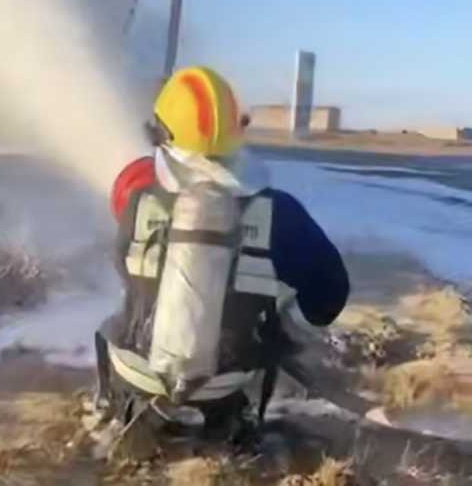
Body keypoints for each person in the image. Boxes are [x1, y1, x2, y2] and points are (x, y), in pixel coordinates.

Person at [95, 66, 349, 452]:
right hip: (223, 389)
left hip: (137, 377)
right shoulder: (279, 211)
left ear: (163, 134)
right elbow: (327, 303)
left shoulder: (135, 195)